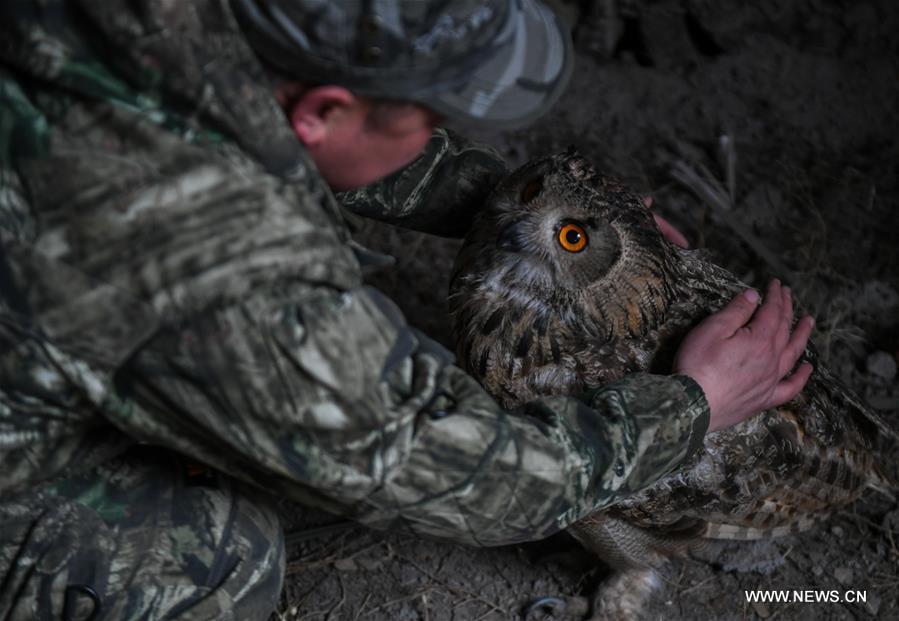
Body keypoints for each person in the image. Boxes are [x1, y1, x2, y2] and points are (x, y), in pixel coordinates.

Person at [0, 0, 813, 619]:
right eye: (430, 120)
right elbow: (441, 466)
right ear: (320, 111)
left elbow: (329, 128)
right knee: (211, 546)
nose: (438, 133)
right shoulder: (221, 274)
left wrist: (535, 211)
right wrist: (692, 403)